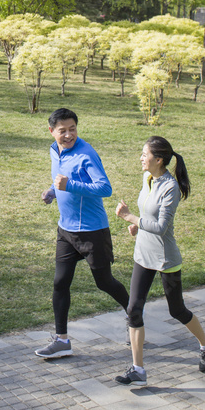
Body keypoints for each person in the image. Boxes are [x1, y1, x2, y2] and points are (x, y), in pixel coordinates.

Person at [114, 135, 205, 387]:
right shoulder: (147, 178)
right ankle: (137, 369)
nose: (141, 157)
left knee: (177, 310)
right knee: (133, 309)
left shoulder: (170, 187)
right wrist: (138, 227)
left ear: (158, 159)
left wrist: (131, 219)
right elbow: (147, 213)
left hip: (165, 259)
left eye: (145, 154)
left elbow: (161, 227)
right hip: (143, 255)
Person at [35, 107, 129, 359]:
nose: (68, 135)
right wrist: (53, 192)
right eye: (62, 130)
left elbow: (104, 188)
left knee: (104, 282)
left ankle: (136, 317)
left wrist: (69, 185)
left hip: (91, 231)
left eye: (72, 129)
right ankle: (62, 340)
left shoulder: (87, 154)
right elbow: (60, 178)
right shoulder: (55, 150)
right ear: (51, 131)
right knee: (60, 282)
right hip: (65, 229)